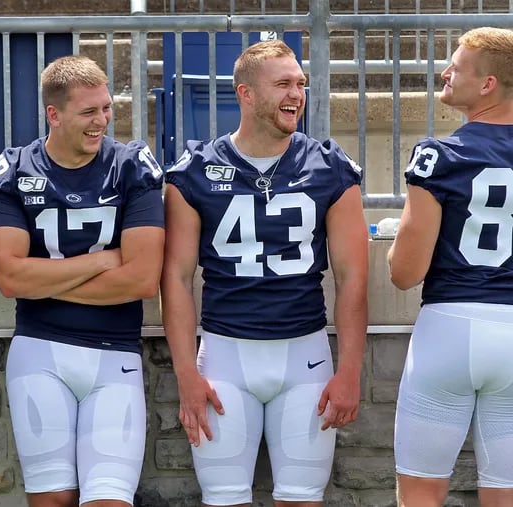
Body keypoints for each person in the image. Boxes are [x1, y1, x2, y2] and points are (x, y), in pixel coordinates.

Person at [160, 39, 368, 507]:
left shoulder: (329, 168)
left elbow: (352, 278)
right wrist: (184, 376)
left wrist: (351, 369)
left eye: (299, 83)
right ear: (246, 94)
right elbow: (174, 278)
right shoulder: (194, 171)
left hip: (306, 356)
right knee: (224, 499)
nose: (296, 93)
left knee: (302, 499)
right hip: (223, 358)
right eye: (282, 84)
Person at [0, 55, 164, 507]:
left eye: (106, 108)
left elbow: (142, 279)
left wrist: (43, 278)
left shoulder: (131, 165)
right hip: (39, 352)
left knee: (109, 502)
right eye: (89, 112)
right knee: (52, 502)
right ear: (54, 113)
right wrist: (102, 262)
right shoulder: (17, 168)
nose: (102, 120)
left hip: (114, 353)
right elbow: (9, 276)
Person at [388, 27, 513, 507]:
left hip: (451, 328)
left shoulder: (440, 155)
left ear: (487, 84)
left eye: (457, 66)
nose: (445, 71)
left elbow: (404, 272)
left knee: (420, 493)